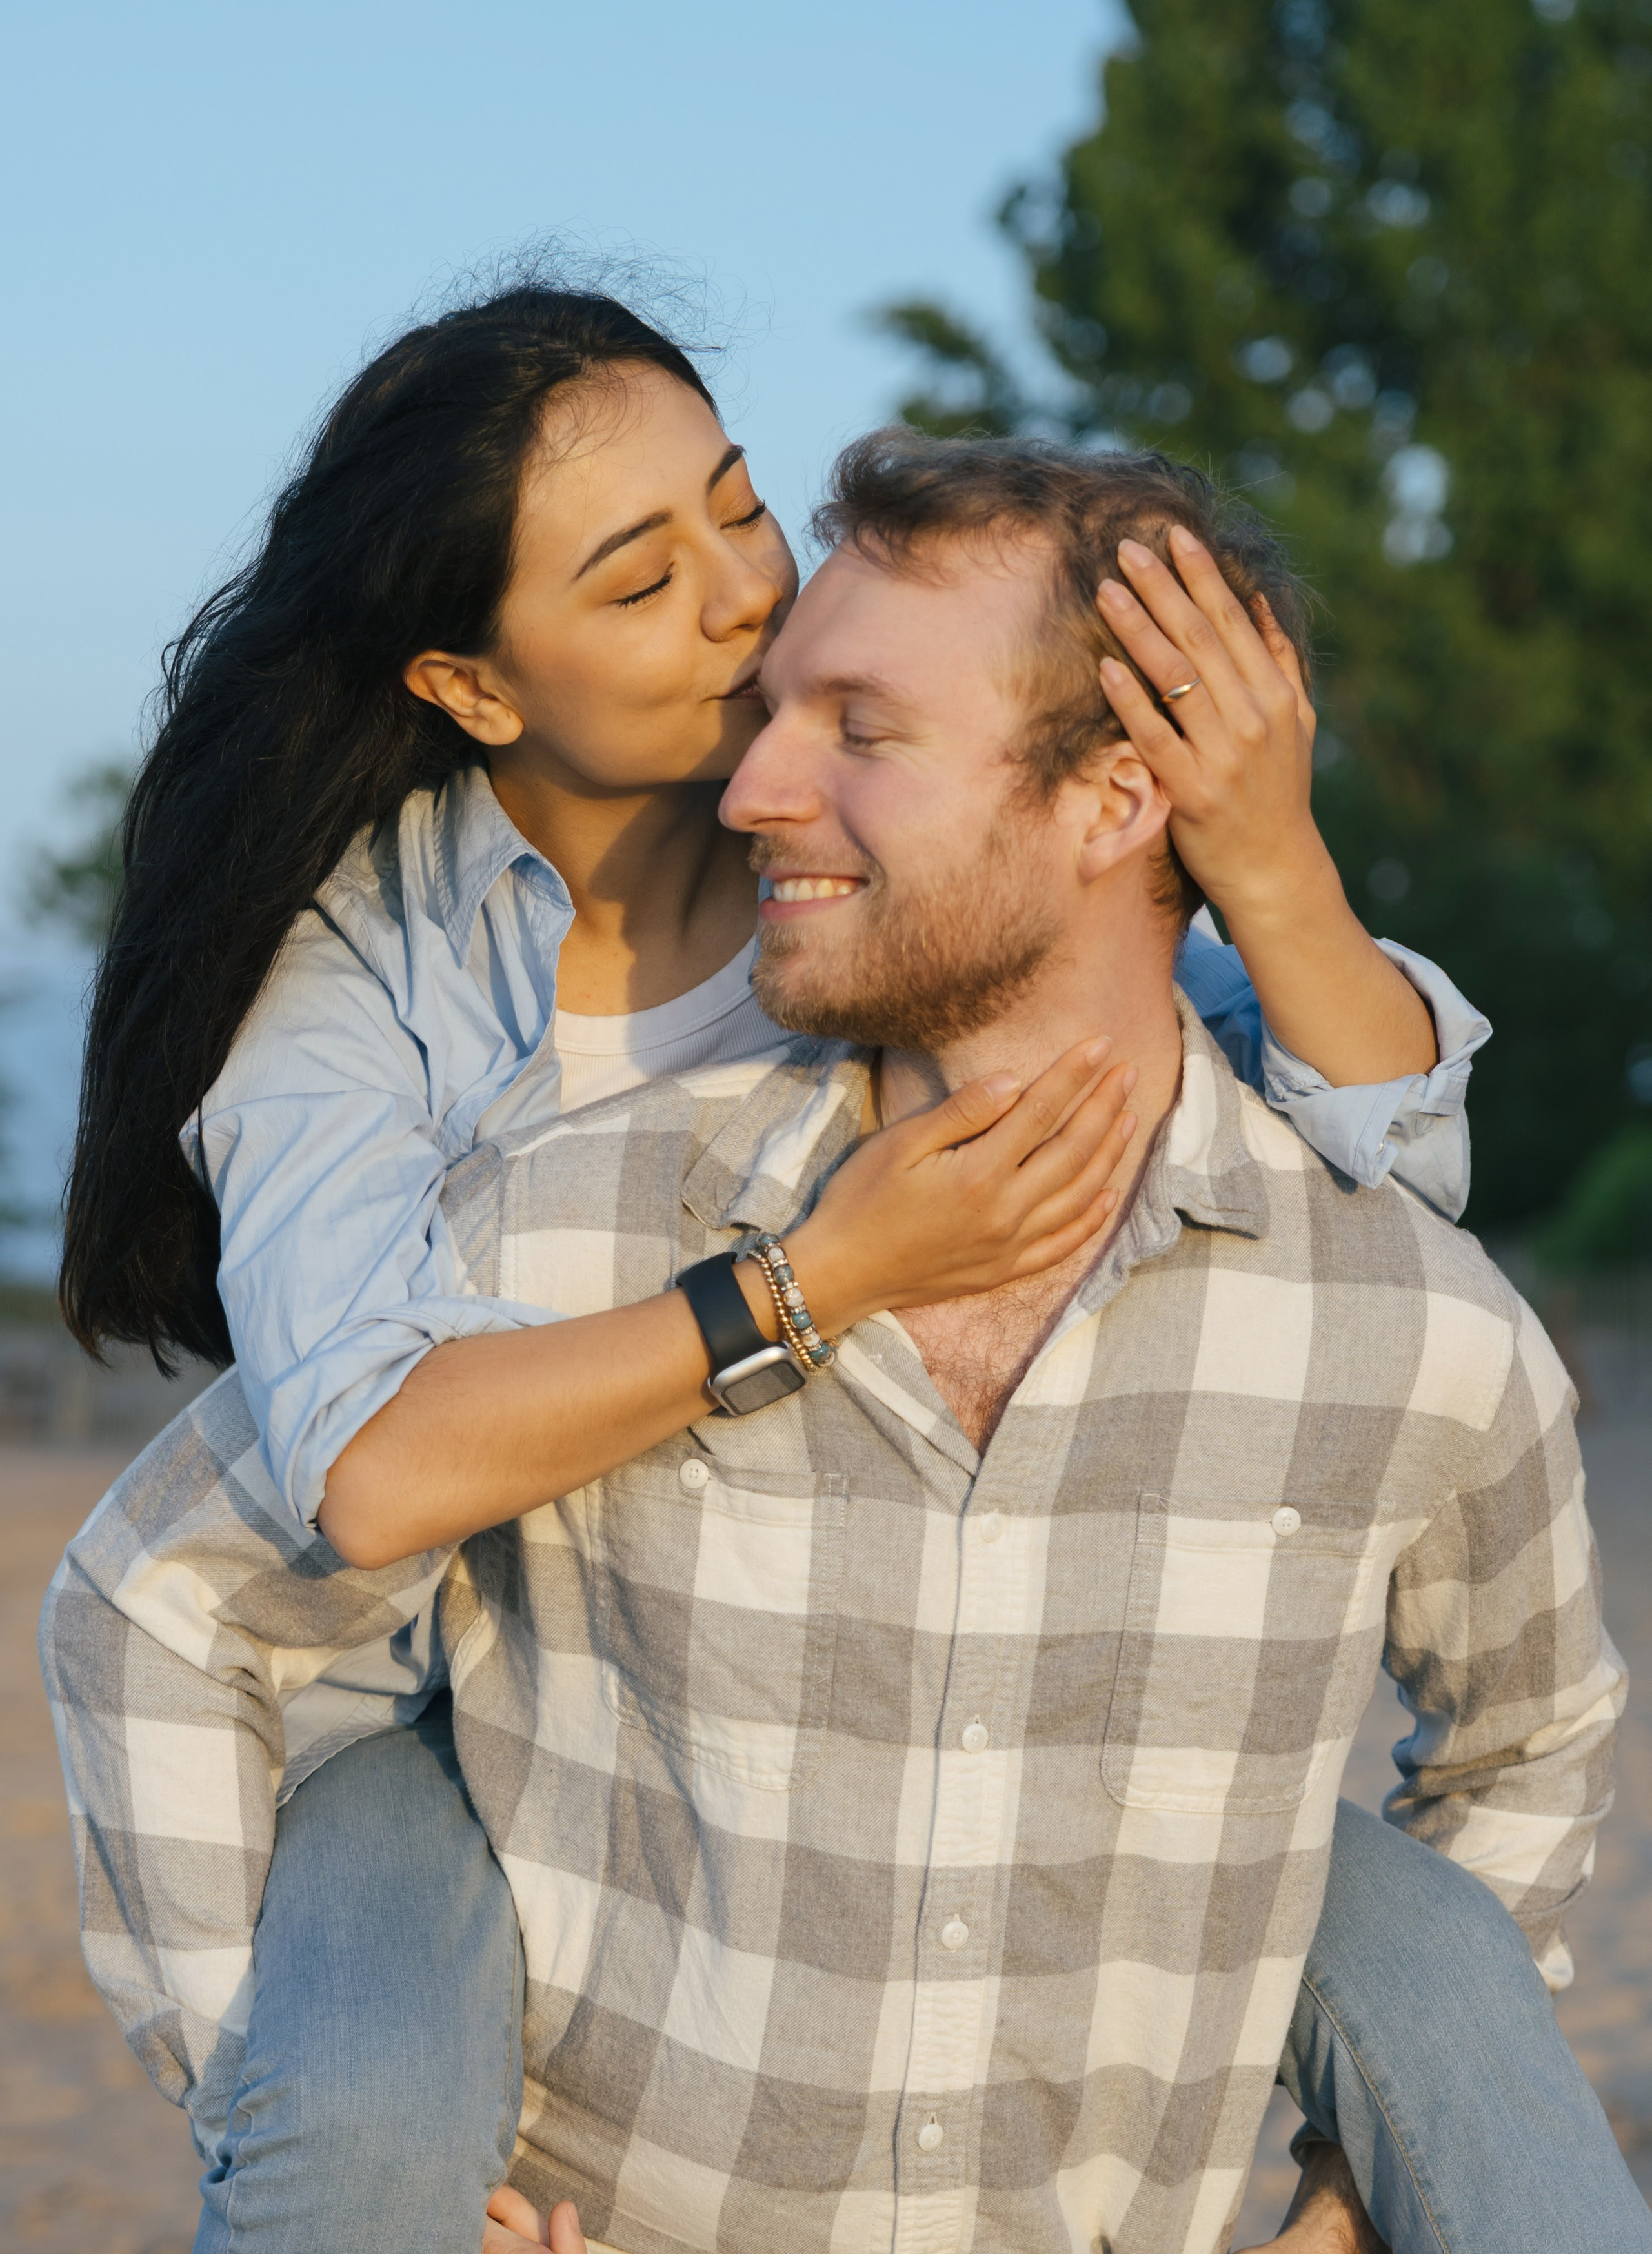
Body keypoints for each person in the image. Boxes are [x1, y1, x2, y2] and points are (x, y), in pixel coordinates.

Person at [43, 431, 1641, 2253]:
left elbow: (1534, 1738)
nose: (750, 784)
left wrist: (1352, 2205)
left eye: (858, 730)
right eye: (774, 708)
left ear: (1121, 799)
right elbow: (169, 1602)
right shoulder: (559, 1228)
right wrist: (326, 2130)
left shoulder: (1403, 1325)